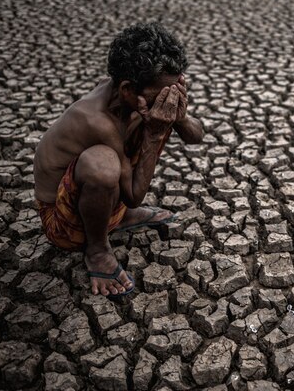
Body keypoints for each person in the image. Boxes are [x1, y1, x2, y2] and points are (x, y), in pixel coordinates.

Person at [33, 22, 203, 297]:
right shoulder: (96, 119)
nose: (168, 99)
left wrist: (179, 116)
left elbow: (196, 137)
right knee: (102, 162)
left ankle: (118, 216)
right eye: (161, 93)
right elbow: (135, 195)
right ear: (127, 89)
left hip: (105, 203)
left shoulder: (132, 99)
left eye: (175, 89)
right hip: (63, 224)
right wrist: (154, 133)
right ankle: (97, 249)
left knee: (153, 119)